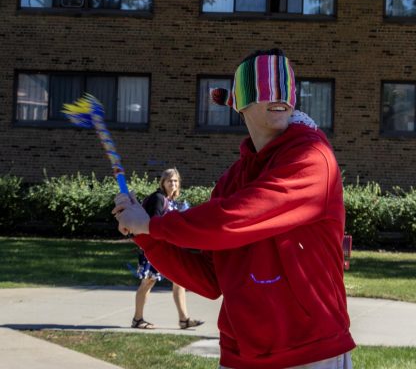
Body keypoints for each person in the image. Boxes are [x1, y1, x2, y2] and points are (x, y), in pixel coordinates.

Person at [113, 49, 355, 368]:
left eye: (285, 86)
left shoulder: (312, 158)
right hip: (240, 354)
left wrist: (152, 226)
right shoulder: (231, 181)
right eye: (265, 86)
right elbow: (211, 279)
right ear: (241, 103)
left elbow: (235, 218)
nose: (279, 96)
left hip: (311, 352)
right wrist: (146, 236)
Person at [131, 168, 203, 331]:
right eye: (169, 180)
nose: (173, 183)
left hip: (168, 247)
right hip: (153, 248)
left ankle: (184, 320)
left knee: (179, 281)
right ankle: (137, 319)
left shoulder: (171, 201)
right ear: (163, 182)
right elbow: (153, 225)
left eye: (176, 181)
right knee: (148, 281)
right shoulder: (158, 198)